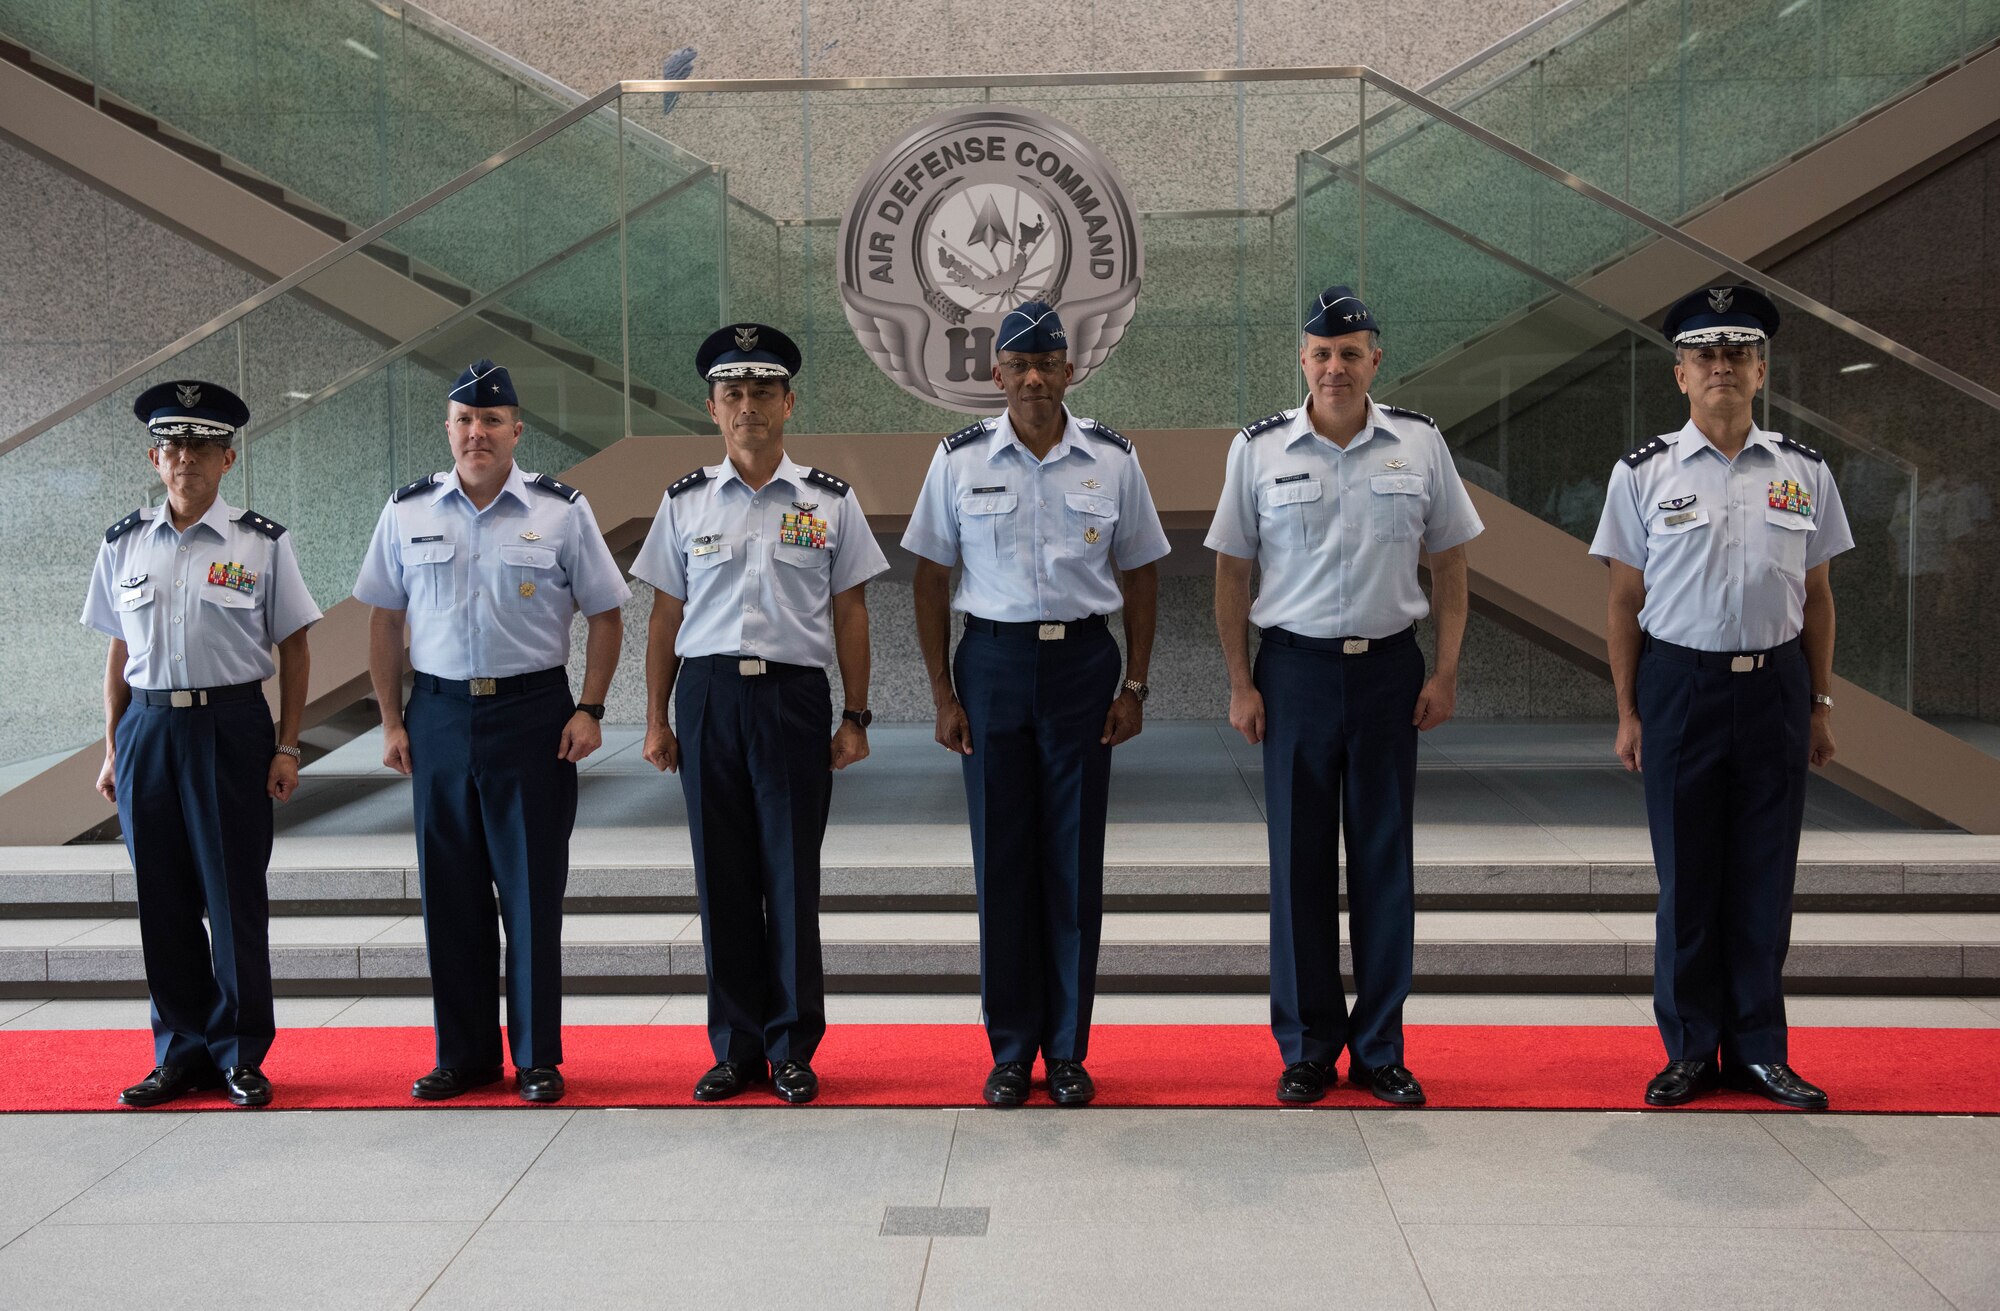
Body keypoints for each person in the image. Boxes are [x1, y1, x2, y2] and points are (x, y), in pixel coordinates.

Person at [1208, 286, 1483, 1107]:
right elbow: (1230, 572)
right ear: (1302, 358)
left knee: (1382, 865)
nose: (1336, 366)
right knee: (1297, 866)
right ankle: (1306, 1047)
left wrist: (1446, 671)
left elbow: (1454, 567)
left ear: (1375, 360)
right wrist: (1240, 682)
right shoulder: (1257, 450)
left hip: (1389, 673)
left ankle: (1381, 1046)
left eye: (1351, 352)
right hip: (1292, 674)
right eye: (1322, 353)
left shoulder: (1420, 444)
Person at [1588, 285, 1851, 1110]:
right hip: (1681, 688)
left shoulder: (1803, 470)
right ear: (1680, 375)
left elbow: (1820, 594)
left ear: (1761, 370)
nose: (1722, 367)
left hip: (1775, 687)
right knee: (1689, 878)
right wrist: (1629, 709)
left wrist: (1820, 703)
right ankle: (1691, 1049)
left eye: (1737, 354)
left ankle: (1762, 1050)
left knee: (1766, 877)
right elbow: (1623, 601)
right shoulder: (1642, 474)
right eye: (1705, 355)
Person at [903, 299, 1169, 1107]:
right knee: (1004, 865)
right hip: (990, 664)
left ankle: (1069, 1050)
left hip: (1085, 665)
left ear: (1069, 370)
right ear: (996, 376)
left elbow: (1143, 573)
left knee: (1072, 865)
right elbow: (929, 577)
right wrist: (943, 692)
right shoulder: (957, 461)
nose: (1031, 378)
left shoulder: (1113, 460)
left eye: (1046, 363)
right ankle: (1012, 1050)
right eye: (1017, 365)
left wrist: (1136, 683)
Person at [353, 359, 629, 1105]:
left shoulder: (561, 510)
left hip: (533, 714)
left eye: (492, 421)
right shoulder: (408, 511)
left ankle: (538, 1057)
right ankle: (464, 1055)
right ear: (449, 429)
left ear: (516, 430)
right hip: (438, 715)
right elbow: (384, 619)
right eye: (464, 421)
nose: (478, 432)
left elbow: (606, 613)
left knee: (533, 892)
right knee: (451, 894)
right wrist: (389, 719)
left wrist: (592, 707)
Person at [633, 323, 887, 1105]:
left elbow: (850, 614)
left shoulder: (829, 502)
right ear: (713, 408)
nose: (750, 407)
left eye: (763, 393)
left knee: (789, 876)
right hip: (708, 696)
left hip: (792, 700)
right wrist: (655, 717)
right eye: (734, 394)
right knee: (723, 878)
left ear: (789, 402)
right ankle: (736, 1046)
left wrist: (856, 714)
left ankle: (792, 1047)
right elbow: (664, 618)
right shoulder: (684, 504)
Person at [83, 380, 321, 1108]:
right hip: (149, 730)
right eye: (173, 445)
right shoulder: (123, 543)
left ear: (228, 458)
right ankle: (179, 1051)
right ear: (156, 458)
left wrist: (288, 746)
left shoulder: (260, 543)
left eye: (201, 445)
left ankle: (240, 1053)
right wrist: (112, 748)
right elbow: (118, 656)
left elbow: (295, 646)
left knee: (233, 896)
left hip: (231, 730)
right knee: (162, 899)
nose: (185, 456)